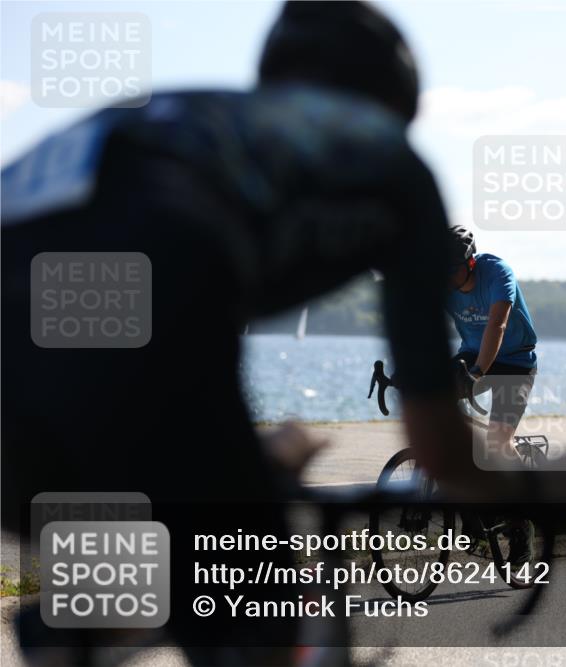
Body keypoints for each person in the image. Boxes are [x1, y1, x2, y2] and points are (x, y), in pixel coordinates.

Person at [2, 2, 467, 663]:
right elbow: (441, 451)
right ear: (392, 105)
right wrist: (533, 489)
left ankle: (91, 623)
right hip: (133, 341)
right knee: (258, 615)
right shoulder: (385, 155)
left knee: (175, 561)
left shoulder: (188, 116)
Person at [445, 225, 540, 565]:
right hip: (472, 355)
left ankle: (522, 524)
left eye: (453, 269)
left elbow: (497, 325)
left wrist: (477, 374)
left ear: (470, 263)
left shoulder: (497, 273)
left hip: (515, 361)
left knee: (499, 441)